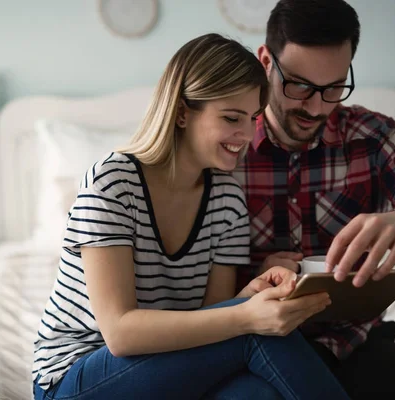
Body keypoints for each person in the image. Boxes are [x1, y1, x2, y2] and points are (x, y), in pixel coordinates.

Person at [32, 33, 351, 400]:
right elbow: (120, 333)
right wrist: (247, 315)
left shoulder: (227, 198)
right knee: (254, 332)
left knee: (258, 394)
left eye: (252, 118)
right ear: (183, 112)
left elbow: (209, 317)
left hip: (165, 364)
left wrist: (252, 295)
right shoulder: (113, 183)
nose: (247, 134)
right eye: (232, 117)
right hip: (76, 377)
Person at [231, 1, 395, 399]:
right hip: (249, 344)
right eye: (299, 85)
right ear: (265, 61)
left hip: (352, 344)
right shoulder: (226, 144)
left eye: (333, 87)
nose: (316, 107)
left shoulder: (373, 137)